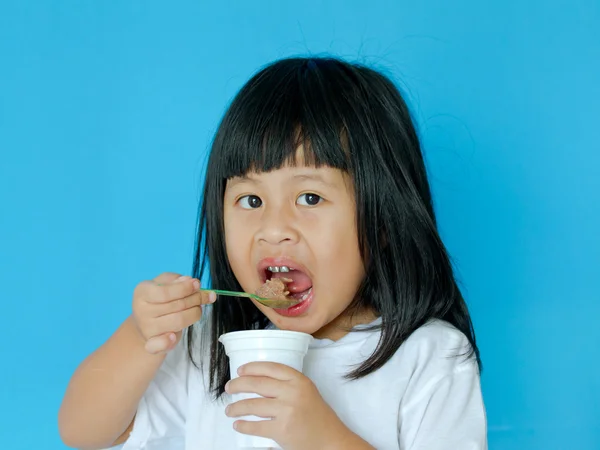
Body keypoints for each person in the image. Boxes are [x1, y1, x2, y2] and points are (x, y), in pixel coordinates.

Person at [59, 56, 487, 450]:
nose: (274, 229)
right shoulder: (210, 345)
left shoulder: (429, 356)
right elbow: (83, 431)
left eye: (310, 198)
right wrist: (142, 337)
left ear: (382, 220)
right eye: (250, 201)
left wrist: (326, 439)